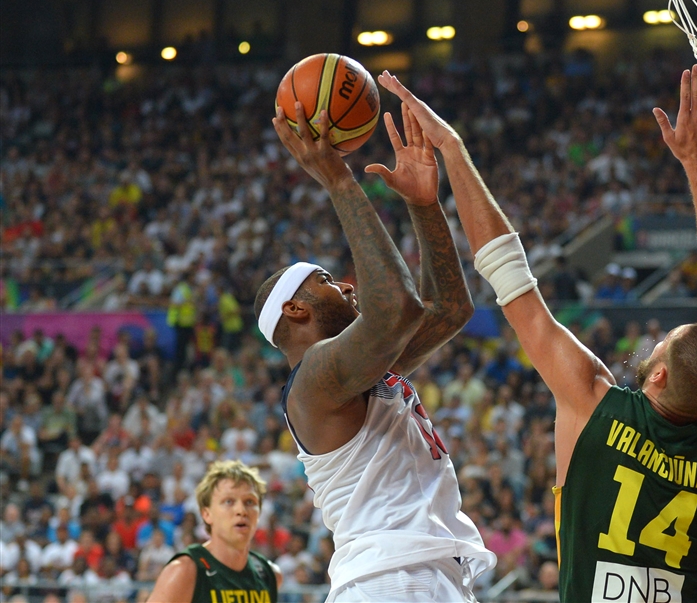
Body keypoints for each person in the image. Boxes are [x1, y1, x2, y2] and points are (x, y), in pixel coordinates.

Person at [379, 66, 697, 602]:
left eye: (663, 341)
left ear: (661, 372)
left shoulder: (592, 400)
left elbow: (510, 277)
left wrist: (455, 150)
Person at [255, 99, 495, 601]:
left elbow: (450, 308)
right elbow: (398, 309)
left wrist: (424, 205)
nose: (345, 285)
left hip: (427, 571)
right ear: (296, 310)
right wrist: (339, 180)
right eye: (324, 281)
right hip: (388, 577)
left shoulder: (365, 371)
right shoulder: (316, 378)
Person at [146, 460, 281, 603]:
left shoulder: (269, 574)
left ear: (259, 512)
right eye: (229, 501)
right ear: (206, 514)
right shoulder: (185, 571)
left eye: (249, 502)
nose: (241, 511)